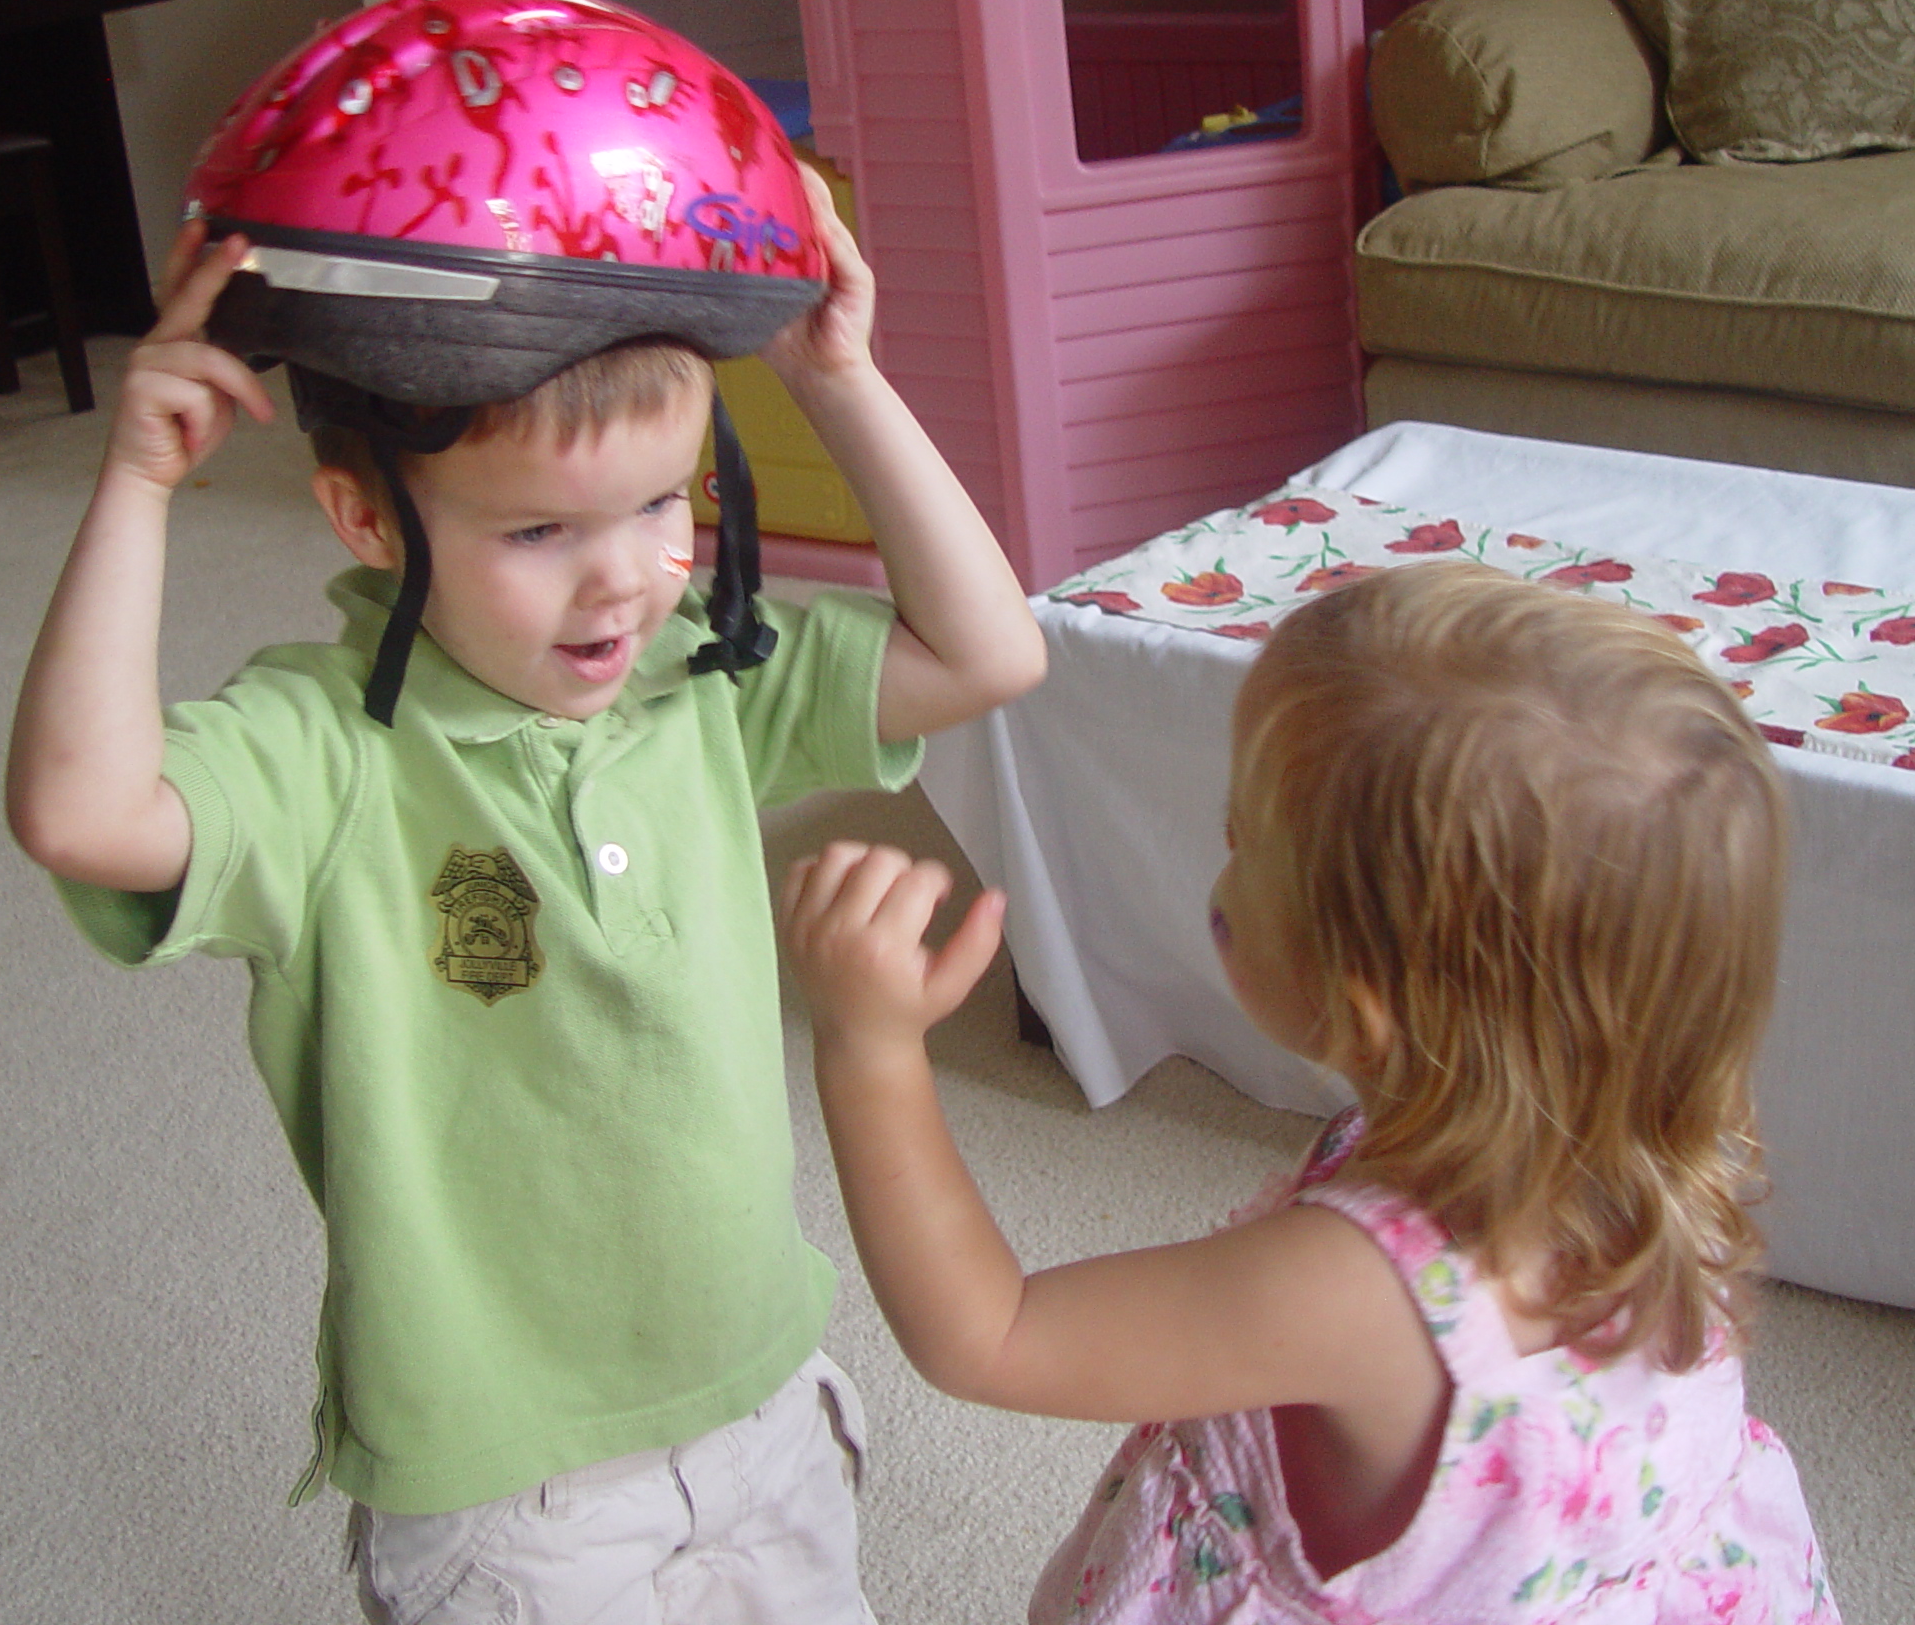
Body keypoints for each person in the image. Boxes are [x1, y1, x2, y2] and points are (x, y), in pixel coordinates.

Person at [5, 0, 1044, 1624]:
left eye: (661, 505)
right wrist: (135, 484)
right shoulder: (325, 747)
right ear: (365, 520)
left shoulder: (703, 671)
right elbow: (82, 812)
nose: (624, 578)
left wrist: (835, 377)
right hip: (508, 1478)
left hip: (765, 1383)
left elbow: (989, 649)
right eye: (539, 534)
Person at [782, 561, 1840, 1622]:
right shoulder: (1664, 1142)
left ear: (1357, 1006)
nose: (1222, 844)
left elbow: (991, 1335)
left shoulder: (1357, 1287)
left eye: (1245, 835)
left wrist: (868, 1048)